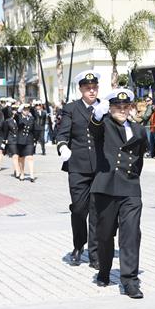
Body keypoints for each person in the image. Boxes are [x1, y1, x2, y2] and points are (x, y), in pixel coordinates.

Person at [89, 88, 147, 299]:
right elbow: (93, 128)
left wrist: (133, 177)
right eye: (117, 107)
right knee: (104, 235)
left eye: (126, 106)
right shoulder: (104, 124)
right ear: (110, 108)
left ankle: (130, 280)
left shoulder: (139, 130)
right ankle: (104, 270)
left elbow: (140, 157)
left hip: (130, 188)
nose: (122, 110)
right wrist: (98, 114)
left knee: (131, 234)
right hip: (106, 187)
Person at [56, 70, 100, 268]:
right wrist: (62, 146)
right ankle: (78, 245)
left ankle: (95, 253)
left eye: (94, 87)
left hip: (100, 167)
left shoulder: (104, 107)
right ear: (81, 89)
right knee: (79, 209)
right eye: (87, 88)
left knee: (97, 210)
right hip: (78, 166)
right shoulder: (71, 108)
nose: (91, 91)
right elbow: (63, 132)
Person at [16, 104, 36, 182]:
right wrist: (19, 109)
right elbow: (16, 116)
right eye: (24, 110)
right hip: (20, 140)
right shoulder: (19, 117)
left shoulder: (31, 118)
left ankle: (31, 175)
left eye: (27, 110)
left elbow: (34, 129)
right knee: (21, 158)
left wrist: (35, 140)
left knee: (30, 157)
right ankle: (22, 173)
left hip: (29, 140)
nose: (26, 111)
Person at [3, 104, 21, 179]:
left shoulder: (21, 119)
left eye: (16, 109)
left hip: (20, 140)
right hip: (11, 140)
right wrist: (4, 141)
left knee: (19, 157)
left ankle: (16, 169)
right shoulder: (8, 121)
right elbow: (5, 132)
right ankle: (18, 172)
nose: (15, 111)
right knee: (15, 155)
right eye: (13, 109)